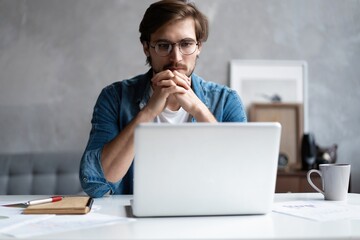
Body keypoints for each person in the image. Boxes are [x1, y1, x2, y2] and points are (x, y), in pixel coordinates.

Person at [79, 0, 247, 198]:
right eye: (163, 45)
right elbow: (95, 183)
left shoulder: (226, 101)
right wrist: (148, 113)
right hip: (136, 223)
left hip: (206, 220)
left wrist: (199, 110)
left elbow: (243, 180)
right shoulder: (115, 97)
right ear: (146, 47)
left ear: (199, 46)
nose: (176, 58)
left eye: (186, 44)